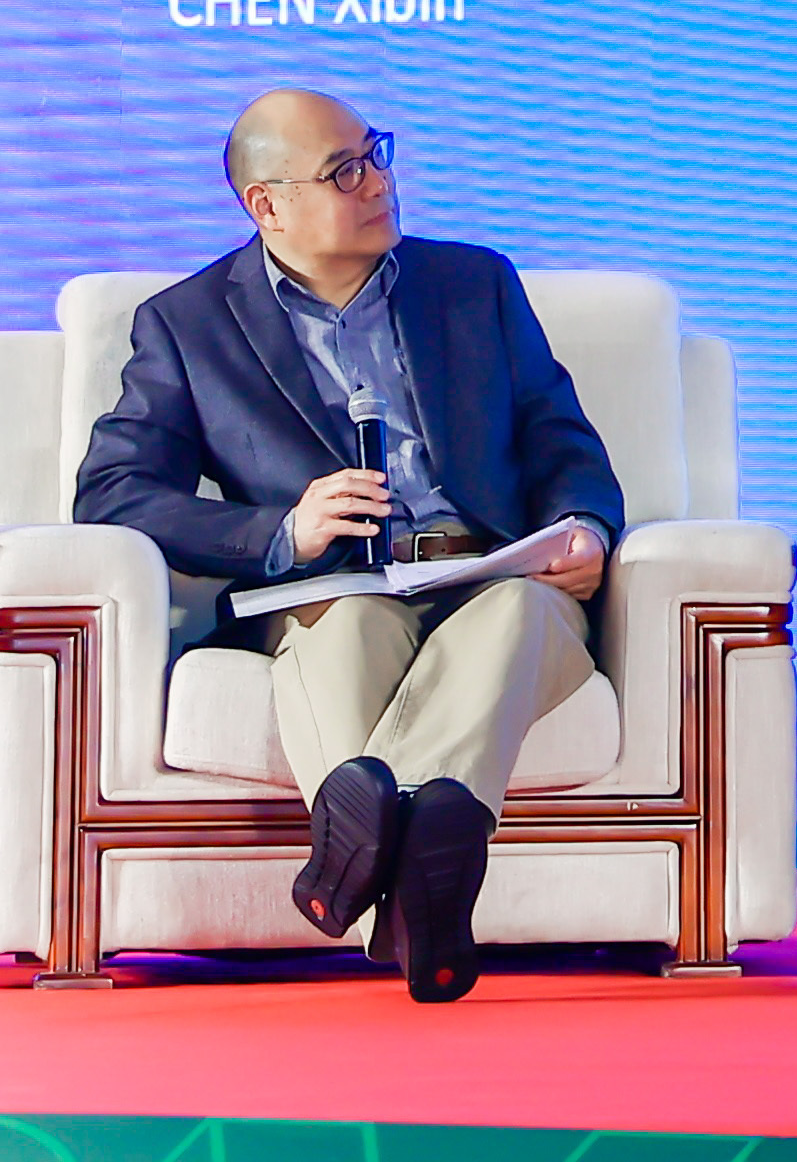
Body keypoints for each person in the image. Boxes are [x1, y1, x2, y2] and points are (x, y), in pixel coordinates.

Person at [71, 90, 623, 1004]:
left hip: (493, 571)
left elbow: (558, 437)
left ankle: (355, 872)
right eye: (344, 172)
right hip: (333, 586)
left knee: (522, 612)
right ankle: (424, 893)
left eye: (376, 155)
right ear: (268, 205)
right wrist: (284, 529)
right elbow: (113, 492)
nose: (379, 183)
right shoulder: (188, 322)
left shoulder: (473, 284)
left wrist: (586, 528)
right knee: (350, 625)